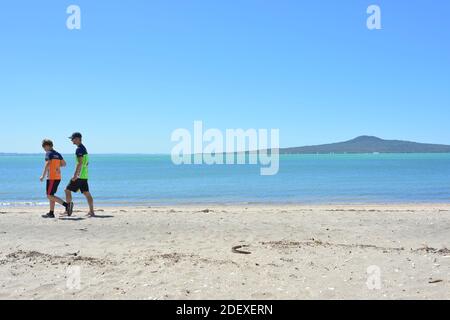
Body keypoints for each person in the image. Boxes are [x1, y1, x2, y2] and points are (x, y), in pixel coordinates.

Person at [65, 132, 95, 217]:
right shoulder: (84, 148)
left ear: (77, 139)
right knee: (86, 193)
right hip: (85, 175)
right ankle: (91, 212)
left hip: (79, 176)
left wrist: (75, 175)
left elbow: (80, 163)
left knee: (67, 190)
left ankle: (68, 210)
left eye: (73, 139)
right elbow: (87, 162)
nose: (71, 140)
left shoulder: (79, 149)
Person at [40, 139, 69, 218]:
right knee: (51, 195)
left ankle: (67, 205)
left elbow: (47, 164)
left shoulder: (48, 153)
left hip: (51, 177)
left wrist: (43, 175)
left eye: (44, 147)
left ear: (47, 146)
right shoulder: (57, 154)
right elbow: (64, 164)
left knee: (49, 195)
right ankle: (51, 213)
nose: (44, 149)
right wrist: (56, 166)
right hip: (58, 177)